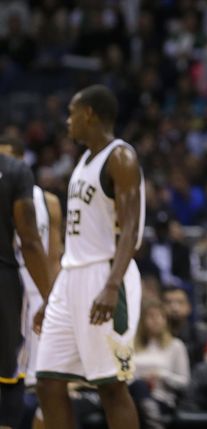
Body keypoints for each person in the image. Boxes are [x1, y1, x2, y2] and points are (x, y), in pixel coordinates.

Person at [34, 84, 145, 429]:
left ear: (89, 114)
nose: (67, 121)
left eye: (71, 113)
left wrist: (112, 286)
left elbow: (129, 230)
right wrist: (54, 294)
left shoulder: (121, 157)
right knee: (48, 381)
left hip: (106, 273)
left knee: (110, 386)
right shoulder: (83, 160)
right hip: (72, 276)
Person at [0, 136, 63, 429]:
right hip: (12, 288)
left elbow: (54, 254)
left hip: (33, 291)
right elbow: (30, 242)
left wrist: (54, 295)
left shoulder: (48, 202)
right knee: (13, 376)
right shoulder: (13, 183)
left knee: (38, 381)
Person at [134, 300, 190, 414]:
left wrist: (162, 375)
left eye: (161, 316)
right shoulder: (131, 346)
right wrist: (140, 377)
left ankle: (151, 416)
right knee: (139, 386)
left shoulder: (176, 345)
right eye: (151, 316)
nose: (156, 320)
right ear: (142, 321)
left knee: (141, 403)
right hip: (133, 396)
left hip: (161, 398)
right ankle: (153, 421)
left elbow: (184, 382)